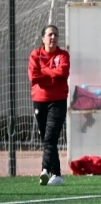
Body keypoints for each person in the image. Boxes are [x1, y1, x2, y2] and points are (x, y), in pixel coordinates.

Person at [28, 25, 69, 187]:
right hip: (39, 99)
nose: (53, 37)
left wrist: (44, 72)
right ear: (43, 38)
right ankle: (57, 174)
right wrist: (52, 74)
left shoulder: (63, 55)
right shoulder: (35, 54)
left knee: (50, 138)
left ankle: (45, 170)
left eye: (56, 35)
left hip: (58, 100)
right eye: (50, 35)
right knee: (47, 138)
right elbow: (34, 76)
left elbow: (63, 73)